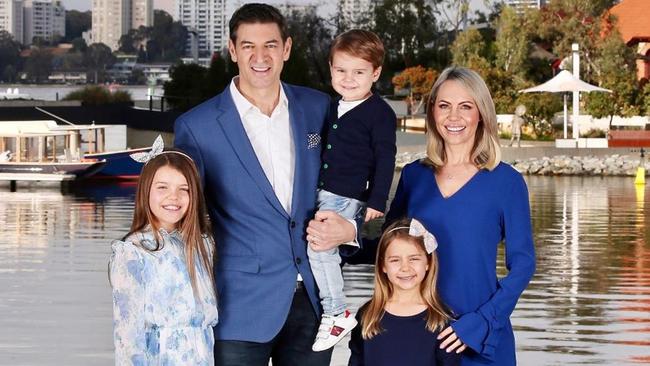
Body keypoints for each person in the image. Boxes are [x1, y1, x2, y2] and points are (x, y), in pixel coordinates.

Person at [173, 3, 356, 365]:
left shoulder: (319, 108)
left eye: (270, 45)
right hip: (238, 306)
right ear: (232, 50)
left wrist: (348, 227)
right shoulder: (198, 126)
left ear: (286, 49)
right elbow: (184, 217)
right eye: (248, 46)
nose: (260, 57)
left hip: (314, 301)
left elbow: (349, 181)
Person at [384, 66, 536, 365]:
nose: (454, 117)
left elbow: (523, 264)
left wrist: (482, 321)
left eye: (465, 107)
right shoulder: (414, 176)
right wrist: (342, 238)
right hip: (419, 331)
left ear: (481, 114)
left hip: (480, 335)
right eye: (444, 106)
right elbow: (388, 247)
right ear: (432, 113)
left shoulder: (506, 182)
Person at [310, 29, 396, 352]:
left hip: (349, 196)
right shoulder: (332, 107)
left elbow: (386, 158)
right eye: (341, 70)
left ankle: (336, 311)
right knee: (320, 249)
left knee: (320, 248)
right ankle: (333, 308)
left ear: (375, 73)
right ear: (331, 68)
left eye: (359, 72)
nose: (348, 79)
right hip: (325, 192)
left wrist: (377, 201)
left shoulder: (380, 114)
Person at [109, 136, 218, 365]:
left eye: (184, 189)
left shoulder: (203, 245)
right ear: (146, 191)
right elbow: (127, 337)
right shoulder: (134, 252)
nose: (173, 197)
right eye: (162, 187)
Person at [348, 218, 461, 366]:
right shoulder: (367, 316)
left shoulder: (442, 320)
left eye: (413, 259)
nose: (405, 268)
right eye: (395, 260)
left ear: (428, 262)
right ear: (383, 266)